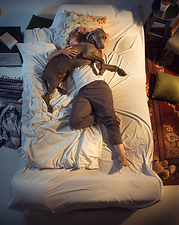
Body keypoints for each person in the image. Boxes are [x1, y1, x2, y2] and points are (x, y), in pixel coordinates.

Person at [47, 29, 129, 166]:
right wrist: (63, 52)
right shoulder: (69, 59)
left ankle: (121, 155)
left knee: (111, 120)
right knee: (74, 123)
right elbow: (49, 58)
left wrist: (87, 31)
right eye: (69, 45)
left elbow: (106, 35)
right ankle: (101, 118)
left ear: (81, 43)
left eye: (72, 43)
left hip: (98, 87)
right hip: (83, 92)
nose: (70, 46)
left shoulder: (93, 52)